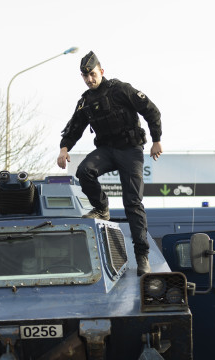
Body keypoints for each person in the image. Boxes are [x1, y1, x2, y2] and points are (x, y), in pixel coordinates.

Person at [57, 51, 163, 276]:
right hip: (107, 150)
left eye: (92, 75)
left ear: (101, 72)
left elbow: (151, 110)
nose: (89, 79)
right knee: (85, 171)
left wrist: (156, 140)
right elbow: (74, 127)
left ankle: (142, 256)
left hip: (130, 150)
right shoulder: (85, 101)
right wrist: (64, 148)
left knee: (132, 202)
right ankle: (102, 207)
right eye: (85, 76)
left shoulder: (120, 89)